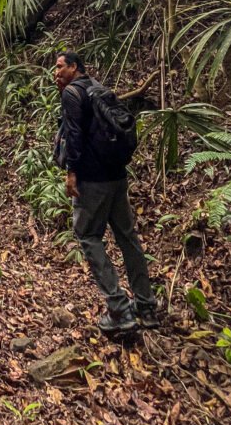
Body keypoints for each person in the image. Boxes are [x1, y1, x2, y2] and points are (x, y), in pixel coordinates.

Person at [55, 50, 158, 333]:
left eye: (61, 67)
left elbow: (74, 134)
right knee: (127, 237)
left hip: (93, 180)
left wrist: (72, 173)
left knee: (88, 236)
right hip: (117, 177)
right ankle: (147, 306)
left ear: (75, 67)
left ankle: (119, 309)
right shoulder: (101, 89)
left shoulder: (72, 95)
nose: (56, 73)